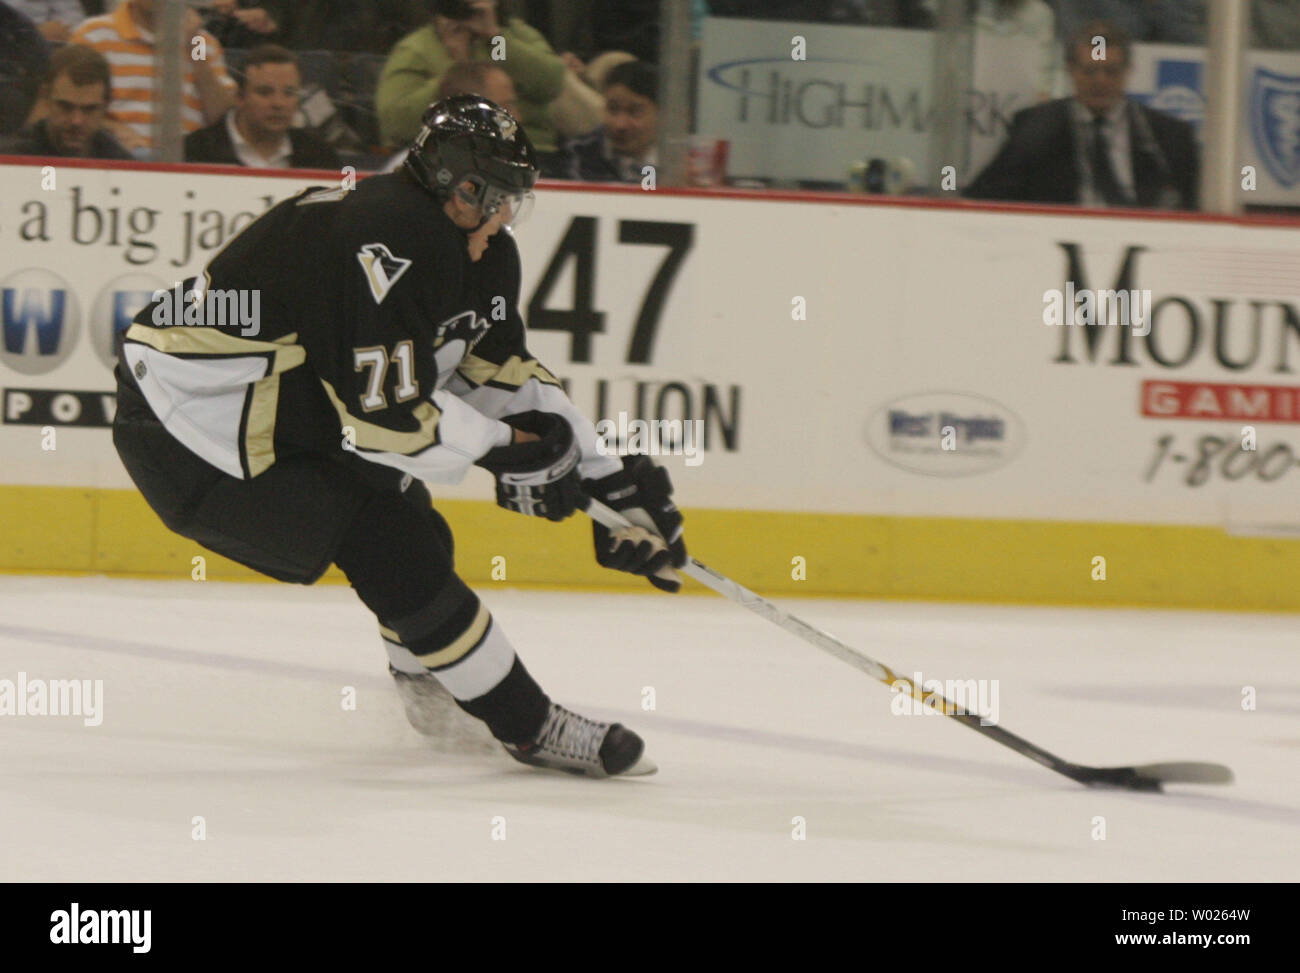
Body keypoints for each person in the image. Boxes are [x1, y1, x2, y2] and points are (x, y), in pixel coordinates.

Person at [112, 95, 687, 778]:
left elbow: (495, 373)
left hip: (279, 408)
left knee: (415, 530)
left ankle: (432, 699)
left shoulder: (475, 248)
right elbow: (386, 422)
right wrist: (507, 453)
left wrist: (607, 477)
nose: (506, 218)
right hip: (189, 433)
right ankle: (530, 727)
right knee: (392, 538)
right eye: (497, 198)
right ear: (459, 188)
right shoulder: (387, 238)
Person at [964, 20, 1198, 209]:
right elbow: (983, 196)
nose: (1100, 81)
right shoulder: (1034, 128)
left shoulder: (1167, 136)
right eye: (1090, 71)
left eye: (1111, 71)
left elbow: (1195, 204)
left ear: (1128, 71)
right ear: (1070, 70)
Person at [377, 0, 565, 156]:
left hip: (529, 150)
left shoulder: (514, 36)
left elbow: (551, 83)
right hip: (448, 154)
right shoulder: (418, 49)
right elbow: (395, 123)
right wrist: (456, 70)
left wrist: (495, 38)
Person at [70, 0, 237, 155]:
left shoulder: (200, 42)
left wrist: (194, 50)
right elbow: (68, 109)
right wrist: (110, 128)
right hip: (114, 155)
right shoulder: (93, 35)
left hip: (189, 162)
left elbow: (222, 119)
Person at [184, 44, 340, 169]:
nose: (278, 103)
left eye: (289, 93)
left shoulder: (319, 157)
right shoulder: (195, 153)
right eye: (265, 93)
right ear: (240, 97)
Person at [0, 42, 131, 157]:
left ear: (107, 105)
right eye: (65, 107)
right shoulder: (12, 159)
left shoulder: (120, 163)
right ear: (46, 98)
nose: (76, 121)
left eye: (89, 109)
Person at [559, 59, 657, 182]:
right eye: (613, 110)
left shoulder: (681, 162)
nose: (620, 125)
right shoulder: (578, 156)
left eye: (634, 112)